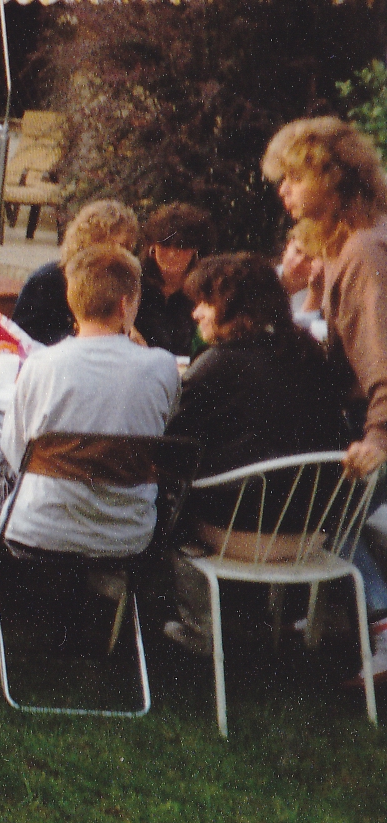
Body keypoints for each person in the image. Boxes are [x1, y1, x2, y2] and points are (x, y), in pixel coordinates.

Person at [160, 253, 352, 652]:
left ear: (232, 307)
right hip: (315, 534)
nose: (196, 313)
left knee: (166, 500)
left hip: (242, 535)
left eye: (205, 302)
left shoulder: (216, 364)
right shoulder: (312, 356)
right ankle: (262, 618)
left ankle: (200, 626)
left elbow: (174, 456)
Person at [263, 115, 387, 685]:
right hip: (357, 419)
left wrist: (378, 437)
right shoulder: (348, 244)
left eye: (293, 178)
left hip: (372, 426)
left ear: (333, 178)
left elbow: (380, 356)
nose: (284, 191)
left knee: (313, 505)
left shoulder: (364, 252)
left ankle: (379, 621)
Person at [1, 245, 180, 557]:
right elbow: (164, 441)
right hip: (126, 534)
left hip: (40, 529)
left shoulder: (41, 365)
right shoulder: (162, 366)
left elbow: (15, 452)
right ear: (124, 305)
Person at [11, 200, 141, 347]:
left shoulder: (126, 284)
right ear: (85, 242)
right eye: (107, 244)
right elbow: (23, 337)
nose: (115, 253)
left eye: (123, 247)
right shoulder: (47, 281)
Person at [135, 202, 216, 356]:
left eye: (181, 247)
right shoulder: (134, 281)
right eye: (165, 245)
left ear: (195, 249)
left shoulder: (207, 288)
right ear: (153, 245)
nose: (172, 254)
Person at [277, 229, 325, 334]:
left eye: (309, 258)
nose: (299, 262)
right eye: (297, 251)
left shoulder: (323, 301)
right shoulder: (261, 279)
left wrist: (314, 295)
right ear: (289, 244)